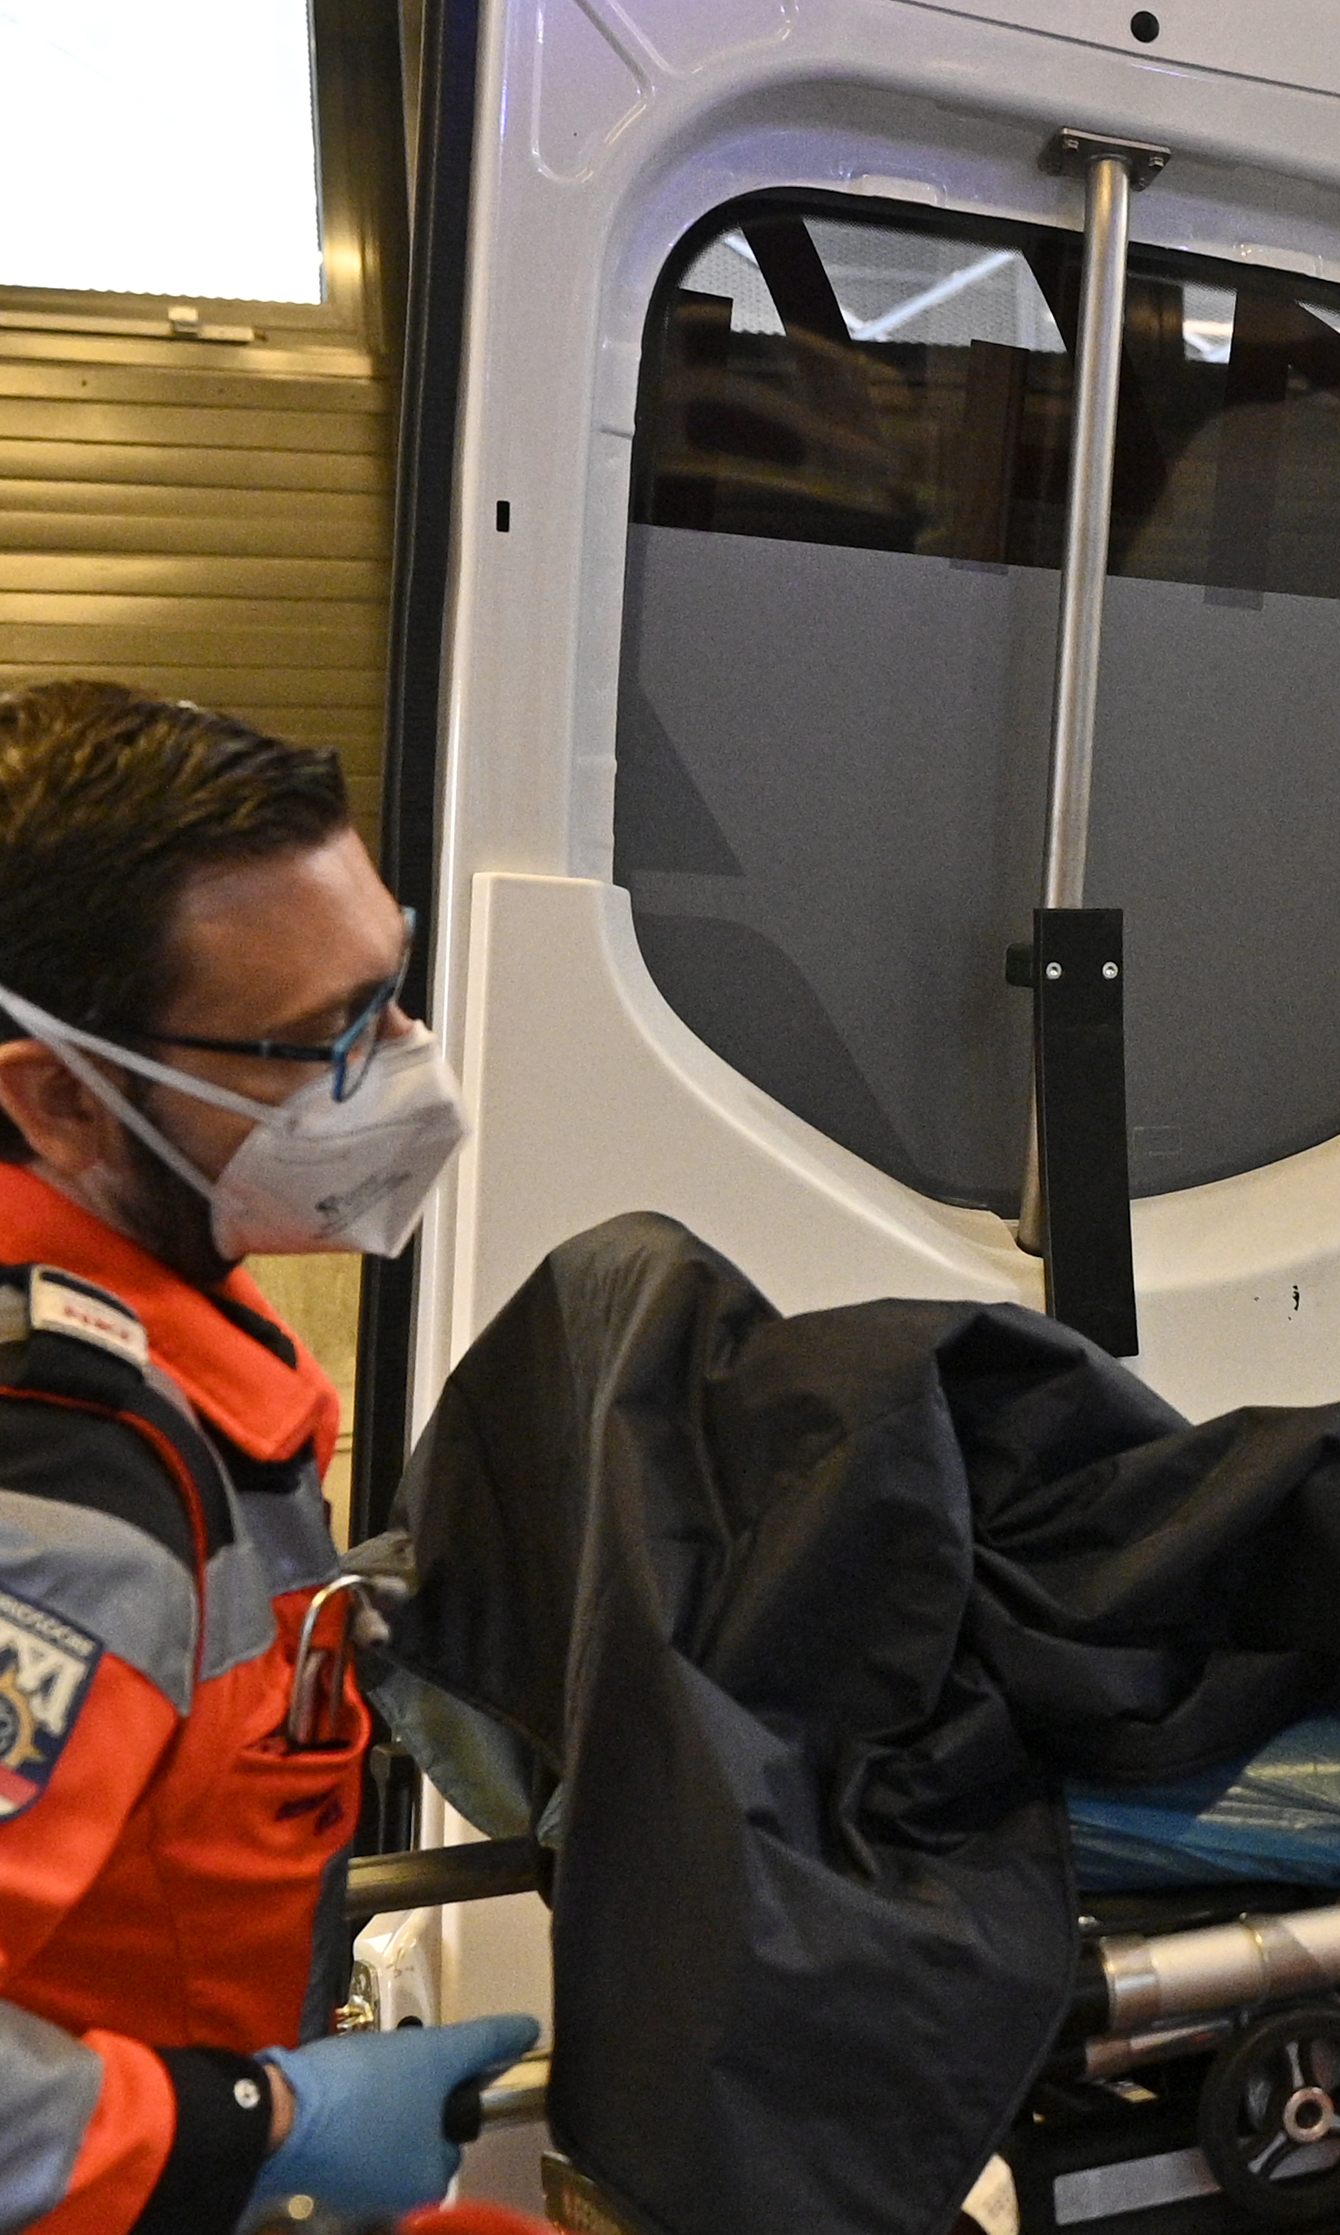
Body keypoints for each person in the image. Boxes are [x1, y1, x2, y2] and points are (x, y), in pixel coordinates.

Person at [0, 683, 535, 2233]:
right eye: (321, 1041)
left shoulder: (155, 1329)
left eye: (391, 988)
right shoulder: (64, 1478)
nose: (407, 1063)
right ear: (58, 1097)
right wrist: (271, 2119)